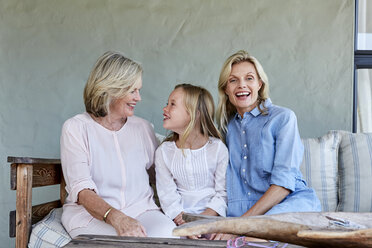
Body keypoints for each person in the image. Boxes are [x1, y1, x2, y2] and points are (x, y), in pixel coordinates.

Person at [60, 51, 176, 239]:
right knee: (129, 242)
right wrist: (117, 218)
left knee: (171, 235)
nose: (138, 98)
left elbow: (161, 174)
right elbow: (81, 190)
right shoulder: (76, 128)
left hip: (142, 211)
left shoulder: (143, 127)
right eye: (132, 91)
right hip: (90, 217)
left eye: (138, 90)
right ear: (110, 89)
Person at [214, 50, 321, 239]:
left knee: (260, 231)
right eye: (233, 80)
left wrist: (240, 225)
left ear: (259, 84)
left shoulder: (283, 118)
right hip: (243, 212)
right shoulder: (225, 127)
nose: (242, 85)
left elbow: (283, 184)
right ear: (225, 89)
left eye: (249, 78)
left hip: (289, 203)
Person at [155, 84, 228, 238]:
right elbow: (167, 195)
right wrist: (184, 222)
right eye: (166, 104)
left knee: (220, 239)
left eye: (172, 104)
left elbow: (222, 193)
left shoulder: (217, 149)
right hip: (178, 219)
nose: (165, 109)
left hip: (212, 217)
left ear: (194, 113)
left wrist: (203, 221)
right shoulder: (164, 152)